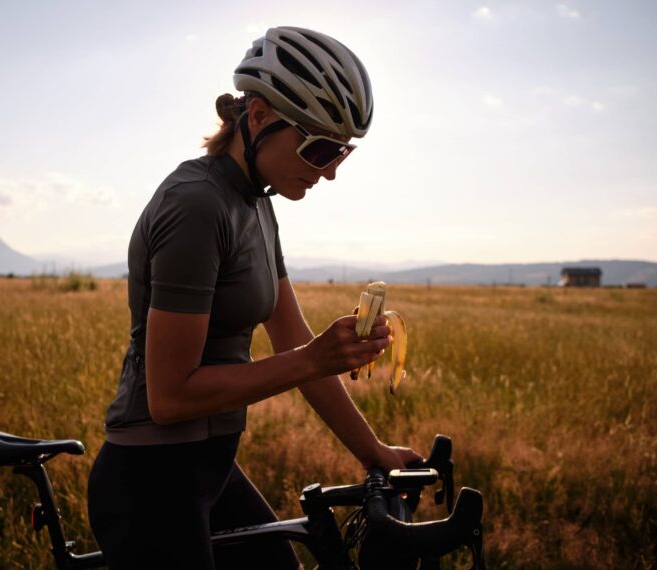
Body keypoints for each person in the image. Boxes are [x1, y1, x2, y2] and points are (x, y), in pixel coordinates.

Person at [87, 26, 422, 569]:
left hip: (207, 470)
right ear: (260, 117)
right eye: (319, 148)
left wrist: (374, 453)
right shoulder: (197, 205)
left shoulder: (256, 207)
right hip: (151, 481)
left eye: (342, 152)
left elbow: (295, 341)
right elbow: (169, 398)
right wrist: (312, 359)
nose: (331, 171)